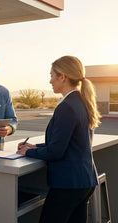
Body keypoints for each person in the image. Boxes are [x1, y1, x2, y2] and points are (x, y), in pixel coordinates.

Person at [16, 56, 101, 223]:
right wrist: (35, 146)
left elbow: (56, 151)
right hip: (84, 181)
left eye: (52, 75)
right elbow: (66, 142)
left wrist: (29, 151)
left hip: (68, 185)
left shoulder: (67, 106)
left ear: (62, 76)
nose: (50, 81)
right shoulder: (80, 101)